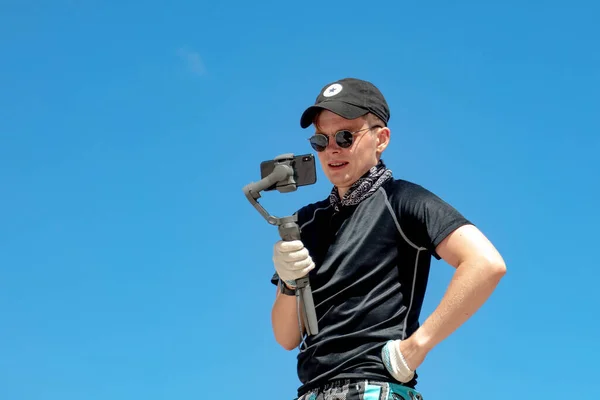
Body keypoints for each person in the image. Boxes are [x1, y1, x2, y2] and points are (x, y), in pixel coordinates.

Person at [269, 77, 506, 400]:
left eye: (345, 136)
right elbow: (286, 337)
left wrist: (417, 347)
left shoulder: (402, 200)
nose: (332, 149)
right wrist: (288, 281)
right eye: (320, 141)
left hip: (374, 388)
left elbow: (486, 263)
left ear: (381, 139)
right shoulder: (306, 221)